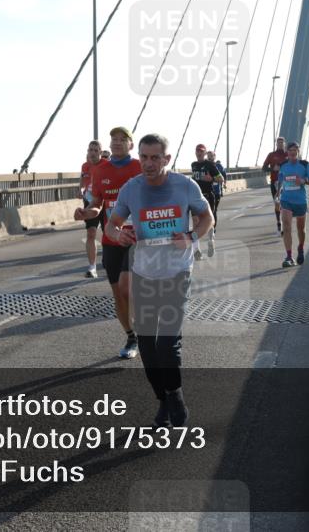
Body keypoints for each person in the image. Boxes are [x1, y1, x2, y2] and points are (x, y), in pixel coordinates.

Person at [106, 133, 213, 427]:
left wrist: (190, 236)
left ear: (167, 159)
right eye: (144, 157)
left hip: (177, 273)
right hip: (144, 274)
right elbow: (112, 225)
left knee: (166, 343)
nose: (148, 163)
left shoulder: (185, 186)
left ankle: (175, 396)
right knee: (147, 347)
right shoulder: (131, 188)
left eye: (155, 158)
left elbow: (208, 218)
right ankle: (163, 400)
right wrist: (119, 234)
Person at [74, 126, 142, 359]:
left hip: (137, 239)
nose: (117, 142)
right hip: (111, 238)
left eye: (123, 139)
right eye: (114, 139)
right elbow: (97, 204)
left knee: (126, 286)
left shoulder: (140, 167)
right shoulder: (100, 170)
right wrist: (87, 212)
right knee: (118, 294)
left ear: (131, 145)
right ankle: (131, 336)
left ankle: (144, 323)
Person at [277, 141, 309, 267]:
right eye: (290, 150)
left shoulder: (305, 165)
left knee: (301, 229)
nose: (292, 152)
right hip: (286, 200)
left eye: (295, 150)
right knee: (286, 226)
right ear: (287, 152)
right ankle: (289, 257)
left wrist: (303, 181)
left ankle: (300, 248)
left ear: (298, 152)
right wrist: (277, 194)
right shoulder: (283, 165)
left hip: (300, 201)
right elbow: (280, 180)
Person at [190, 143, 224, 258]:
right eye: (197, 151)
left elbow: (221, 179)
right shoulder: (193, 165)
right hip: (195, 197)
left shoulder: (210, 165)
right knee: (195, 221)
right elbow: (195, 178)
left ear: (204, 153)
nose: (199, 153)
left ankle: (211, 241)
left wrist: (212, 178)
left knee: (208, 220)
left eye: (201, 151)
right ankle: (196, 250)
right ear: (195, 152)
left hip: (208, 195)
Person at [80, 140, 104, 278]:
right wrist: (81, 190)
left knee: (108, 233)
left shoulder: (106, 165)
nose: (93, 153)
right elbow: (83, 182)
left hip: (105, 203)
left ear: (100, 152)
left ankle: (110, 258)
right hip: (90, 201)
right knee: (91, 232)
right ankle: (92, 267)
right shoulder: (85, 166)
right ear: (87, 151)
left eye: (96, 150)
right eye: (90, 150)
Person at [261, 136, 288, 234]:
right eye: (278, 143)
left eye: (282, 143)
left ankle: (284, 225)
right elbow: (263, 168)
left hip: (286, 182)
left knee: (285, 204)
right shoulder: (271, 155)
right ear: (276, 144)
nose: (280, 144)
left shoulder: (288, 155)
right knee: (277, 203)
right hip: (274, 182)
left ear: (284, 144)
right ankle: (279, 223)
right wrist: (273, 169)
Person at [207, 150, 226, 243]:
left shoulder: (219, 166)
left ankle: (213, 229)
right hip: (207, 192)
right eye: (208, 156)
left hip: (216, 192)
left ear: (214, 156)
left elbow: (223, 177)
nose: (209, 157)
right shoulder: (205, 165)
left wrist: (223, 184)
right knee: (207, 211)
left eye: (211, 156)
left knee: (213, 211)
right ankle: (208, 227)